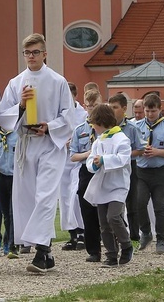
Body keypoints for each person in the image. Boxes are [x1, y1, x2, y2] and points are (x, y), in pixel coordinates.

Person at [0, 33, 75, 274]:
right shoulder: (15, 82)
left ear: (45, 54)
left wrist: (49, 127)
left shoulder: (57, 81)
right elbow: (3, 117)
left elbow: (69, 115)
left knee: (44, 196)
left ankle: (41, 252)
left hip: (50, 145)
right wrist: (20, 106)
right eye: (27, 53)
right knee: (29, 199)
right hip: (25, 145)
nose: (31, 57)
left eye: (35, 52)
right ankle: (47, 251)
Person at [84, 104, 134, 268]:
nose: (93, 127)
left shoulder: (122, 139)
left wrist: (105, 160)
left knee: (113, 217)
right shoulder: (99, 141)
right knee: (104, 223)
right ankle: (111, 255)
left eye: (94, 124)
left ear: (102, 122)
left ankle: (126, 245)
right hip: (102, 186)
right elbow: (90, 161)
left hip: (118, 185)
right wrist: (95, 165)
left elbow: (123, 159)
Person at [135, 93, 164, 254]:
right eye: (147, 111)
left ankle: (161, 238)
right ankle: (145, 232)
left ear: (160, 109)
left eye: (153, 111)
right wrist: (140, 151)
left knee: (160, 206)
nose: (150, 114)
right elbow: (130, 148)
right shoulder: (137, 127)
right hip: (142, 171)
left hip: (160, 172)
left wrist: (157, 152)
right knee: (139, 202)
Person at [69, 90, 103, 262]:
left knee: (106, 211)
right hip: (86, 172)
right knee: (87, 211)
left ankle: (113, 245)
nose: (91, 109)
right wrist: (88, 154)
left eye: (95, 105)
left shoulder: (107, 128)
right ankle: (93, 250)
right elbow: (73, 155)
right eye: (88, 106)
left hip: (104, 172)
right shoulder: (80, 130)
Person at [107, 94, 144, 243]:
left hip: (130, 167)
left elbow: (140, 149)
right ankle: (116, 233)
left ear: (124, 109)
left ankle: (134, 234)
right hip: (111, 168)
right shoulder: (106, 127)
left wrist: (124, 155)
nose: (112, 111)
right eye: (110, 108)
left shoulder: (132, 128)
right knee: (114, 202)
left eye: (115, 108)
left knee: (132, 201)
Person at [58, 82, 86, 252]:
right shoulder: (60, 113)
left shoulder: (82, 115)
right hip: (62, 159)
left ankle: (82, 231)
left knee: (75, 195)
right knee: (64, 198)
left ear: (75, 96)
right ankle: (72, 234)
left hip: (77, 160)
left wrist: (73, 142)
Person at [0, 126, 18, 257]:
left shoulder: (17, 133)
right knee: (0, 210)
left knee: (13, 211)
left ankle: (10, 243)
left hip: (14, 176)